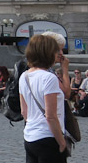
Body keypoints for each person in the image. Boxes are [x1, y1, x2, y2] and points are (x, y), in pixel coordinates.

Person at [20, 33, 68, 162]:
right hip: (48, 137)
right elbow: (50, 116)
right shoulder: (49, 77)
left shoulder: (24, 76)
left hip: (30, 136)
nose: (58, 53)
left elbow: (24, 111)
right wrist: (61, 141)